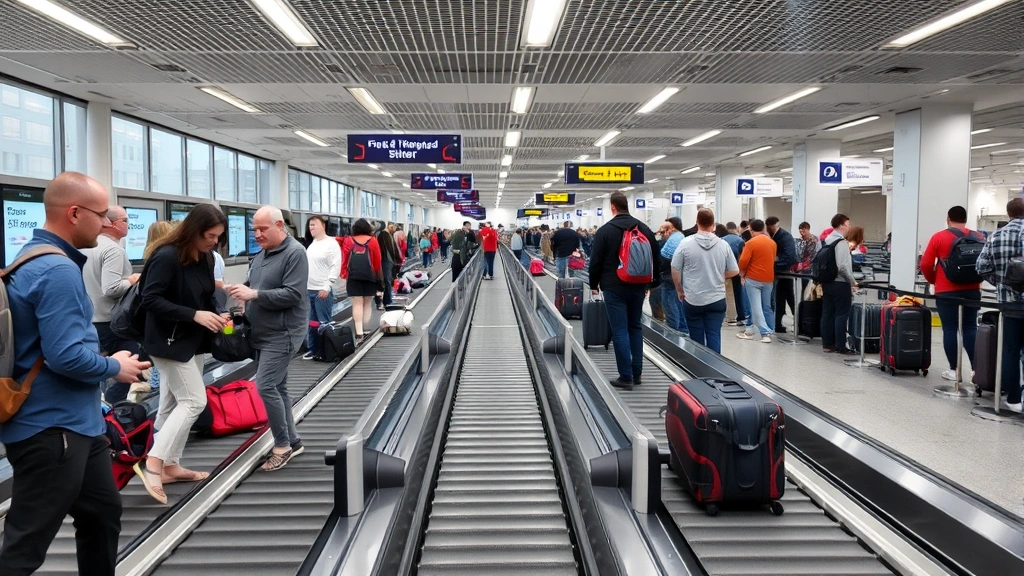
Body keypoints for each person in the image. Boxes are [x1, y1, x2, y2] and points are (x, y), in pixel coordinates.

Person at [0, 172, 149, 575]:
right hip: (52, 430)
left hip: (79, 426)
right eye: (101, 215)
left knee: (102, 513)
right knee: (26, 543)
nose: (105, 225)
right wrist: (115, 366)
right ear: (74, 213)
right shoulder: (57, 271)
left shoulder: (28, 258)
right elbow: (66, 358)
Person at [136, 204, 228, 504]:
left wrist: (216, 315)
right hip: (167, 341)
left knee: (171, 402)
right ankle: (153, 462)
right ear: (194, 230)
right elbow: (150, 299)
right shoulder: (165, 257)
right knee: (194, 401)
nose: (214, 241)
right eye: (210, 235)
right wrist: (193, 315)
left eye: (218, 236)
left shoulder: (203, 257)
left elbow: (204, 296)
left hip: (190, 340)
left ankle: (171, 466)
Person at [226, 206, 310, 471]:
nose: (258, 235)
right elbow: (255, 285)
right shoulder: (262, 254)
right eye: (255, 230)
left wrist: (256, 295)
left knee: (264, 386)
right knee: (278, 388)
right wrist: (241, 299)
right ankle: (293, 441)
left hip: (283, 333)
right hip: (261, 332)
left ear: (280, 226)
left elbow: (293, 294)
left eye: (263, 229)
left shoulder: (295, 253)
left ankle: (282, 445)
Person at [588, 192, 660, 390]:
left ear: (613, 207)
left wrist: (593, 285)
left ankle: (625, 377)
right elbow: (656, 257)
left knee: (620, 330)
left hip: (613, 286)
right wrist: (652, 284)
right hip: (638, 285)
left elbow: (595, 262)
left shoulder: (605, 231)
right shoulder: (644, 228)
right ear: (627, 205)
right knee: (635, 327)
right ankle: (637, 374)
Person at [81, 205, 141, 404]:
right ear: (111, 224)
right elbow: (111, 288)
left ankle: (104, 401)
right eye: (125, 220)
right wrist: (132, 281)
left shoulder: (87, 246)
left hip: (90, 319)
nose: (128, 225)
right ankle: (114, 403)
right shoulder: (113, 250)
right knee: (137, 357)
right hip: (110, 321)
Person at [920, 206, 983, 382]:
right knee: (971, 328)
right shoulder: (978, 237)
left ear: (948, 218)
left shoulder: (939, 237)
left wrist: (934, 280)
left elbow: (925, 264)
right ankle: (976, 371)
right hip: (972, 290)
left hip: (946, 290)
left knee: (950, 329)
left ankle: (954, 370)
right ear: (966, 219)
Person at [975, 198, 1024, 413]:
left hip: (1009, 303)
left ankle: (1013, 399)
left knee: (1010, 350)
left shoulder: (996, 235)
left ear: (1008, 213)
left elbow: (981, 266)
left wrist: (1001, 282)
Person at [672, 208, 739, 353]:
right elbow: (735, 270)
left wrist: (679, 290)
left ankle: (699, 370)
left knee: (696, 339)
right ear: (713, 224)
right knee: (714, 335)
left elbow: (675, 269)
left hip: (693, 299)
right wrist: (719, 275)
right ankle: (715, 370)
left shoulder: (685, 243)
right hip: (717, 299)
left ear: (697, 223)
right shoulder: (723, 245)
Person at [339, 218, 385, 342]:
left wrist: (344, 274)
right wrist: (377, 278)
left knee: (357, 304)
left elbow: (344, 259)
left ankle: (359, 332)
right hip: (370, 277)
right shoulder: (373, 241)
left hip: (353, 277)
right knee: (367, 304)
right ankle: (364, 327)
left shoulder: (349, 240)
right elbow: (377, 261)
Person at [303, 215, 342, 358]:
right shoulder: (313, 244)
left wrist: (327, 286)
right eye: (310, 225)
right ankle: (314, 350)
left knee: (323, 323)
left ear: (323, 226)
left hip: (322, 290)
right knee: (312, 323)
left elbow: (335, 266)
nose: (311, 227)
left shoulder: (331, 244)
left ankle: (327, 351)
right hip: (309, 290)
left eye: (314, 225)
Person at [819, 214, 858, 355]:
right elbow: (842, 266)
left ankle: (827, 344)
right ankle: (840, 345)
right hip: (840, 283)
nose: (849, 227)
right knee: (841, 314)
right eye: (848, 224)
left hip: (827, 282)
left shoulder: (827, 240)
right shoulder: (840, 243)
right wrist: (852, 281)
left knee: (827, 313)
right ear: (841, 225)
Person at [736, 219, 777, 343]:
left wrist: (742, 273)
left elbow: (743, 261)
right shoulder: (772, 243)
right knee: (767, 306)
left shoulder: (750, 243)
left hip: (753, 278)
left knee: (756, 307)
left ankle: (765, 333)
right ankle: (769, 329)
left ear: (751, 230)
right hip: (769, 278)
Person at [765, 216, 798, 334]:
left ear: (776, 226)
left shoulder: (786, 237)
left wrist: (774, 261)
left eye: (771, 228)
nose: (770, 230)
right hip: (775, 272)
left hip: (784, 272)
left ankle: (798, 322)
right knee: (778, 299)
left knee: (788, 297)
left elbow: (790, 257)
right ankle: (777, 324)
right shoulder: (771, 235)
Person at [659, 217, 687, 334]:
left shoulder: (673, 239)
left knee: (670, 304)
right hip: (677, 277)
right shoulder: (681, 237)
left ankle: (674, 332)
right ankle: (682, 329)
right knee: (678, 304)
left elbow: (664, 258)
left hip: (670, 277)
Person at [722, 222, 749, 326]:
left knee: (727, 294)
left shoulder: (722, 240)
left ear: (727, 228)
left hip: (726, 271)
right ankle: (741, 316)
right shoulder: (740, 240)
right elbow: (743, 257)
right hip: (737, 270)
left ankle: (728, 316)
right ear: (736, 228)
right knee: (739, 294)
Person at [794, 221, 820, 290]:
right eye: (800, 232)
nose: (802, 233)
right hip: (802, 268)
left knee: (807, 289)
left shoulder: (813, 240)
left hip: (809, 268)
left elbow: (812, 256)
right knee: (803, 288)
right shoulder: (801, 240)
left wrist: (802, 265)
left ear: (808, 229)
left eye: (803, 231)